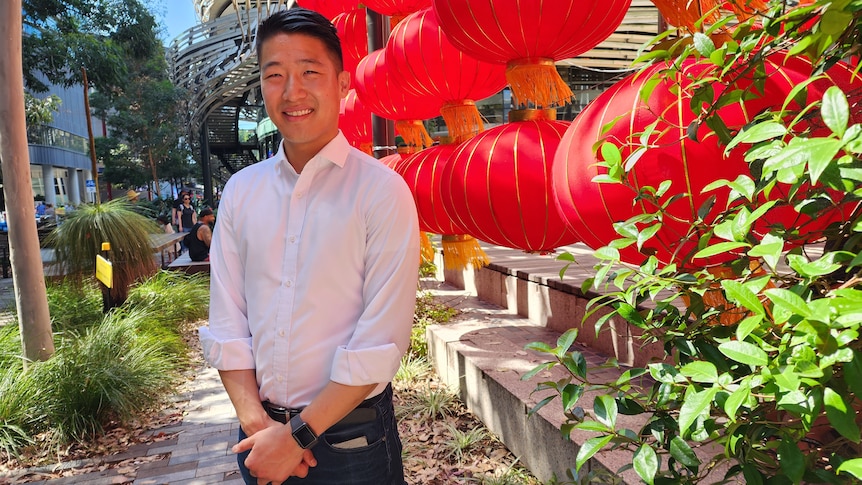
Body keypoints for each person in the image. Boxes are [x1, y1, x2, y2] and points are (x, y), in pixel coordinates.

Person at [199, 7, 420, 485]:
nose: (292, 91)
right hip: (258, 436)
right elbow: (228, 321)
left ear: (342, 84)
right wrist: (261, 429)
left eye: (310, 72)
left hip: (351, 443)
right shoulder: (241, 191)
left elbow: (379, 341)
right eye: (274, 75)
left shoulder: (381, 191)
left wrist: (295, 437)